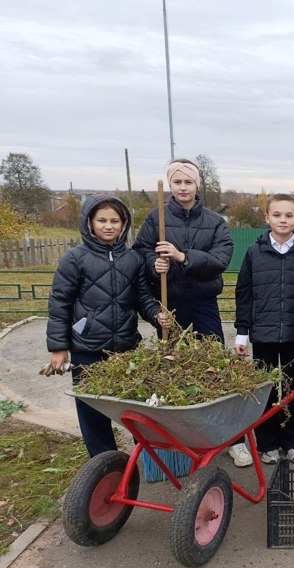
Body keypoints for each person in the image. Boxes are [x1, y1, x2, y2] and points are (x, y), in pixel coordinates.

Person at [46, 195, 165, 457]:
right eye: (102, 220)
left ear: (124, 225)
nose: (108, 226)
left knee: (134, 405)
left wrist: (157, 314)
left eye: (115, 221)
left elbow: (143, 297)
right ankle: (103, 462)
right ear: (89, 223)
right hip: (87, 347)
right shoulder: (75, 259)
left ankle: (143, 455)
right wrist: (58, 347)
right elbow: (60, 303)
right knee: (92, 410)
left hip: (125, 347)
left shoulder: (133, 259)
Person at [234, 194, 294, 466]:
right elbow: (244, 294)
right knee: (265, 390)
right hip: (263, 335)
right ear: (267, 218)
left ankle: (291, 441)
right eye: (277, 215)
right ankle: (267, 442)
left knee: (291, 389)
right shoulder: (255, 253)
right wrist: (242, 332)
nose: (283, 220)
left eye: (288, 215)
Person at [132, 158, 233, 341]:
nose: (183, 187)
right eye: (177, 182)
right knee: (173, 357)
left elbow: (220, 260)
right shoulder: (156, 218)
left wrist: (183, 257)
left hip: (204, 301)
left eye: (188, 182)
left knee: (211, 355)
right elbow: (141, 252)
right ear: (170, 184)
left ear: (197, 185)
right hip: (170, 301)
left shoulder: (215, 222)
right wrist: (154, 264)